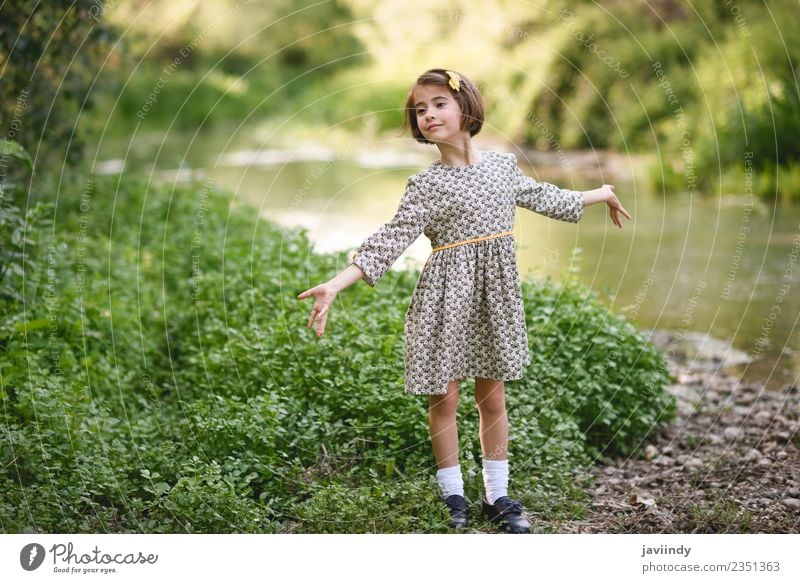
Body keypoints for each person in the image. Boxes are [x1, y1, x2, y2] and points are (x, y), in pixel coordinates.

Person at [297, 68, 631, 533]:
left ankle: (498, 495)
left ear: (465, 108)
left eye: (438, 103)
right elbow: (388, 241)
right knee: (445, 396)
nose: (429, 114)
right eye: (420, 109)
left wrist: (602, 192)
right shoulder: (426, 185)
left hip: (495, 297)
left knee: (492, 399)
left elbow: (545, 197)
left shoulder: (501, 166)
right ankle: (453, 494)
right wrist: (336, 283)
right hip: (444, 298)